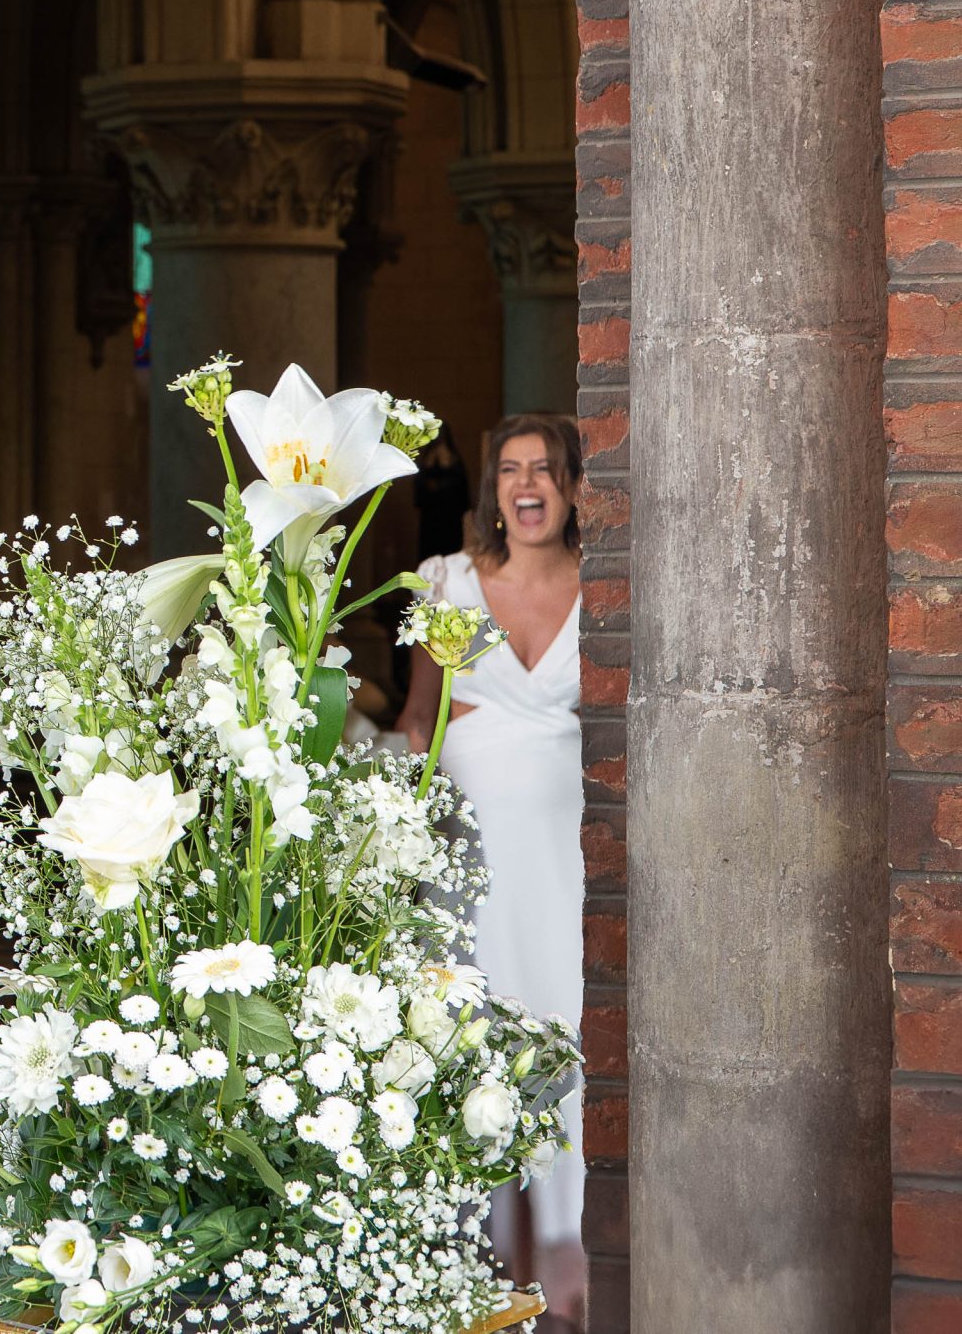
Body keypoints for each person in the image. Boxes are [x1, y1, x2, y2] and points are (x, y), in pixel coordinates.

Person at [396, 412, 586, 1328]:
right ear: (492, 492)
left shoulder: (605, 587)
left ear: (574, 488)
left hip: (571, 861)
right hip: (468, 864)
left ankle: (570, 1241)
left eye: (547, 469)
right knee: (474, 1026)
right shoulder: (447, 584)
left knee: (566, 1018)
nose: (529, 484)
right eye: (512, 469)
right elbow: (415, 722)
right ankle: (476, 1247)